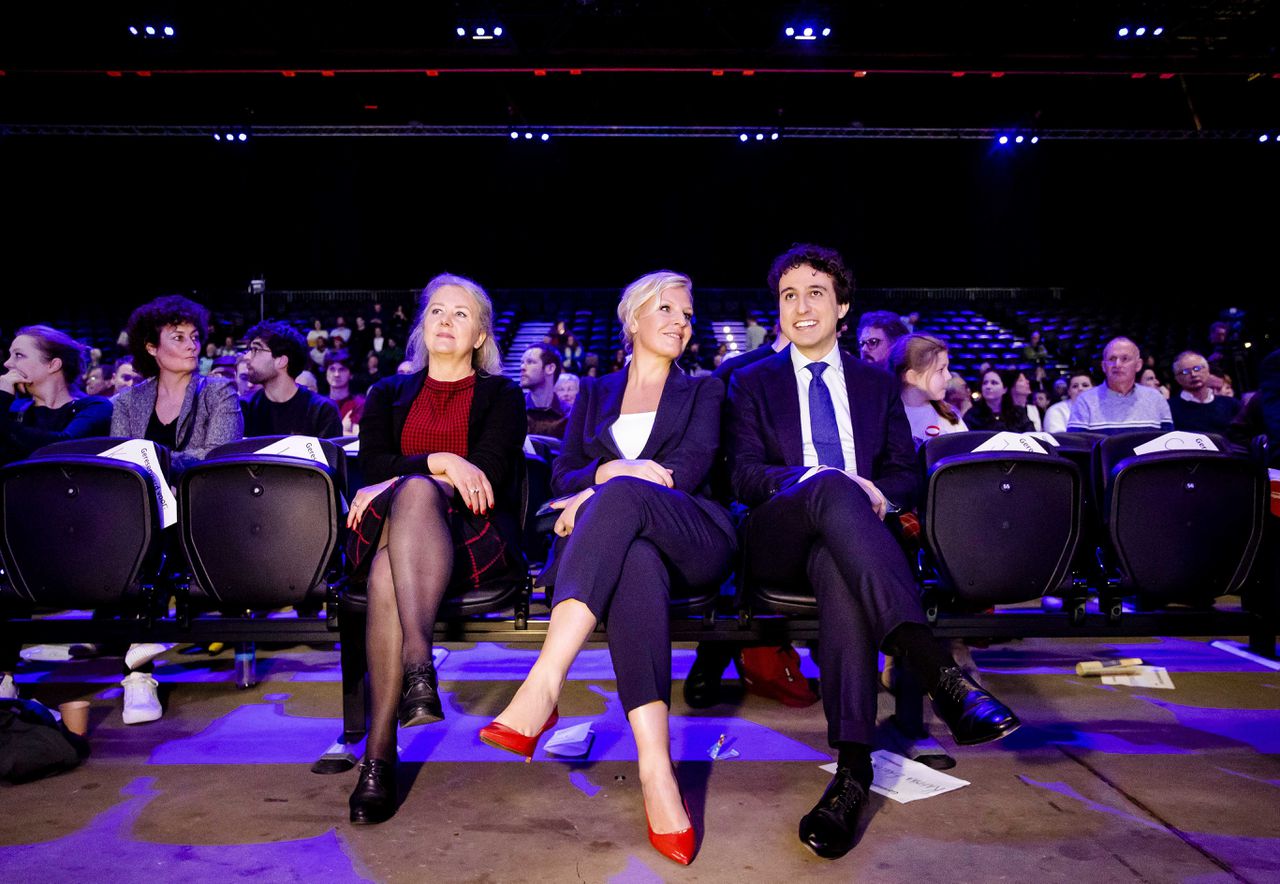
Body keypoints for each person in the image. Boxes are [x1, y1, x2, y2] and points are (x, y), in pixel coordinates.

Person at [727, 244, 1019, 860]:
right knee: (830, 483)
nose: (800, 306)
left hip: (855, 541)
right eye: (788, 296)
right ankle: (938, 669)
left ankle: (851, 771)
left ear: (843, 307)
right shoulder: (749, 382)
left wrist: (876, 495)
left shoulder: (875, 385)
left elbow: (905, 474)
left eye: (815, 293)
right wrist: (821, 483)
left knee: (841, 567)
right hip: (779, 535)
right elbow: (746, 477)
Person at [482, 271, 734, 866]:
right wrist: (601, 480)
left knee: (622, 494)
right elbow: (564, 473)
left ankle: (543, 685)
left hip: (694, 534)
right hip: (626, 547)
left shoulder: (705, 391)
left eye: (688, 314)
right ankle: (657, 774)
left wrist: (601, 487)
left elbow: (684, 473)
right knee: (635, 559)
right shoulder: (594, 392)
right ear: (633, 321)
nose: (680, 321)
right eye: (666, 309)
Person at [344, 273, 525, 826]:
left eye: (461, 314)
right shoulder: (387, 393)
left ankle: (377, 759)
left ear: (479, 335)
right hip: (386, 527)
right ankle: (418, 673)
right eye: (437, 312)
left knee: (386, 567)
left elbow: (488, 478)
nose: (445, 321)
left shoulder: (502, 394)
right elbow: (369, 466)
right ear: (423, 326)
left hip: (470, 537)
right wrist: (441, 463)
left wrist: (416, 479)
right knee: (414, 493)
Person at [110, 295, 244, 724]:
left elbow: (219, 454)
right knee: (129, 524)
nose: (192, 345)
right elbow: (120, 462)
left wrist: (160, 461)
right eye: (178, 337)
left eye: (194, 337)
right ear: (151, 347)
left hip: (203, 510)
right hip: (142, 512)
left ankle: (137, 668)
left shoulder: (217, 390)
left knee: (147, 530)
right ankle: (139, 675)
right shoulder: (128, 403)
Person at [0, 325, 113, 467]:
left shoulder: (95, 407)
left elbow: (63, 446)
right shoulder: (14, 410)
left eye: (18, 355)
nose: (7, 363)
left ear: (53, 365)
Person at [240, 321, 342, 439]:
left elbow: (329, 457)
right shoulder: (244, 407)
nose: (246, 357)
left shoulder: (321, 411)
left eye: (256, 350)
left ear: (282, 361)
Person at [1068, 337, 1173, 434]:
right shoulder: (1085, 400)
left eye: (1125, 359)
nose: (1117, 364)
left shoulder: (1156, 398)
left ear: (1138, 365)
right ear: (1104, 366)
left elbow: (1167, 444)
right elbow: (1077, 448)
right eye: (1112, 359)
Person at [891, 334, 965, 446]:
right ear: (912, 377)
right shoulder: (887, 419)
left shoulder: (949, 416)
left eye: (947, 368)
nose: (948, 376)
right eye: (940, 370)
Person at [1169, 350, 1240, 434]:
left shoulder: (1230, 404)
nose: (1193, 374)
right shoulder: (1169, 408)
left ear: (1208, 370)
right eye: (1185, 372)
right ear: (1177, 378)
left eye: (1197, 368)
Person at [519, 344, 568, 438]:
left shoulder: (569, 415)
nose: (522, 367)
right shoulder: (514, 411)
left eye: (530, 362)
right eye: (522, 362)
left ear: (550, 368)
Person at [964, 369, 1035, 432]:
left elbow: (1030, 435)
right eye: (985, 383)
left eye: (994, 383)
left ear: (1005, 389)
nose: (988, 387)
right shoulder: (972, 415)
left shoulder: (1018, 413)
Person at [324, 349, 365, 435]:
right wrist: (343, 430)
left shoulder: (359, 403)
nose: (336, 374)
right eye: (332, 369)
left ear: (350, 375)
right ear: (326, 373)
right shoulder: (320, 404)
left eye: (342, 369)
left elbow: (357, 438)